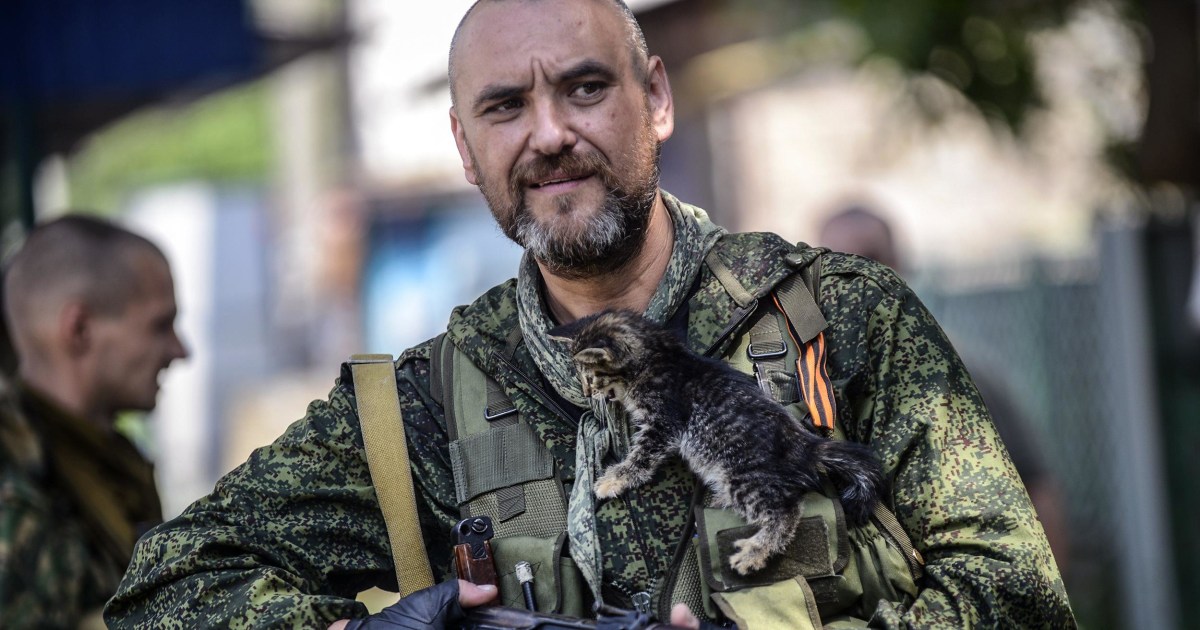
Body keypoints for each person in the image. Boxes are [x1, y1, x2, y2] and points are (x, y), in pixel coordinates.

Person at [106, 1, 1075, 628]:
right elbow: (169, 586)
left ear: (654, 99)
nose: (550, 134)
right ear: (464, 146)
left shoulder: (845, 319)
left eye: (584, 87)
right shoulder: (421, 410)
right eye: (503, 107)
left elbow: (1022, 593)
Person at [817, 205, 1072, 576]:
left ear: (900, 264)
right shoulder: (806, 388)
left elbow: (1036, 491)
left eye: (871, 257)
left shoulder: (965, 373)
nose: (857, 276)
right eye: (836, 262)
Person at [0, 215, 189, 628]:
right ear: (80, 329)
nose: (180, 350)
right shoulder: (18, 480)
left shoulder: (102, 459)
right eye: (160, 325)